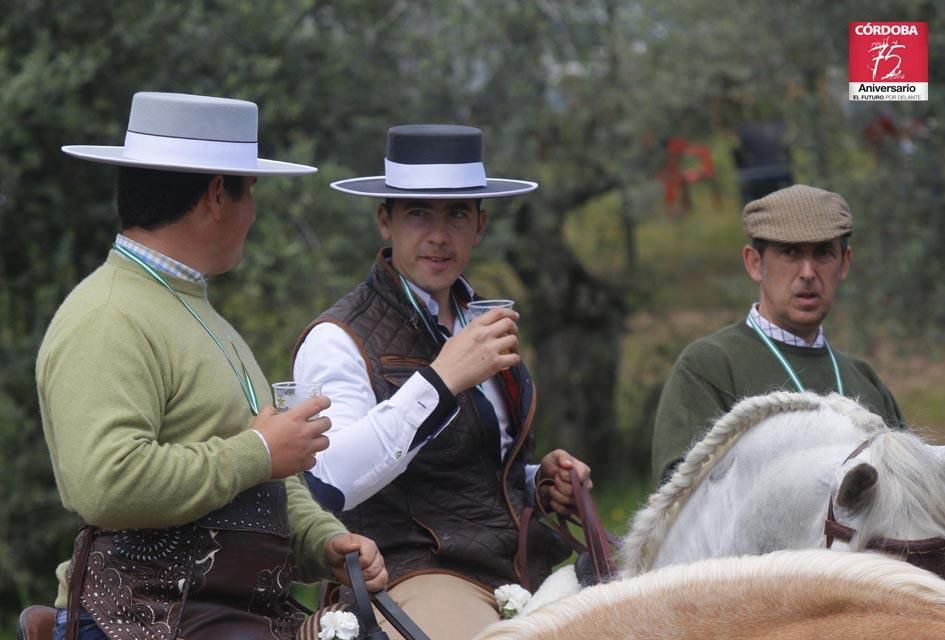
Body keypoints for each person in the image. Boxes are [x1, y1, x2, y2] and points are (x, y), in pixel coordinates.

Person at [37, 91, 386, 640]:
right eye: (252, 194)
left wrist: (324, 541)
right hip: (138, 622)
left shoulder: (199, 315)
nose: (254, 214)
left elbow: (263, 478)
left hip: (217, 619)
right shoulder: (107, 316)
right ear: (219, 194)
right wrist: (261, 449)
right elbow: (106, 483)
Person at [291, 124, 592, 639]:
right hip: (410, 572)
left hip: (515, 563)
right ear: (385, 221)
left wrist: (537, 482)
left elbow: (477, 470)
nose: (438, 234)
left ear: (480, 225)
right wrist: (442, 380)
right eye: (418, 213)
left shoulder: (482, 320)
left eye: (456, 213)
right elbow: (329, 481)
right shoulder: (337, 338)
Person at [651, 184, 903, 483]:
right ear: (755, 263)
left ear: (844, 262)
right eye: (789, 253)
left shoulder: (865, 380)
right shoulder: (709, 366)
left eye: (823, 253)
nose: (808, 272)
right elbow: (680, 499)